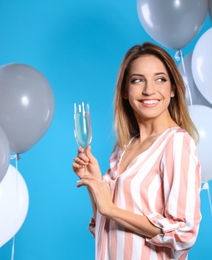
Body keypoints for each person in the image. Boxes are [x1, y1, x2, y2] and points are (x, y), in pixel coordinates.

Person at [72, 42, 202, 260]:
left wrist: (111, 209)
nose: (149, 90)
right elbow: (107, 229)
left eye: (160, 79)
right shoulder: (124, 147)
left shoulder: (177, 143)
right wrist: (94, 183)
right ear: (125, 91)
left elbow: (183, 232)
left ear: (172, 89)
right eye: (137, 80)